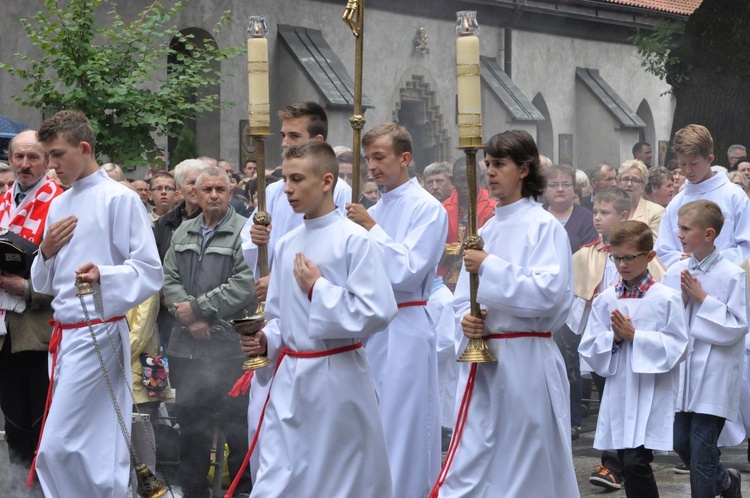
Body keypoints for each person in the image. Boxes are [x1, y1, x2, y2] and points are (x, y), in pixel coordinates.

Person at [233, 140, 396, 497]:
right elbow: (278, 316)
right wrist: (266, 340)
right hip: (290, 381)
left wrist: (318, 288)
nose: (287, 189)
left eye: (297, 179)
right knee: (277, 478)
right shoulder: (287, 241)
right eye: (286, 179)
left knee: (333, 482)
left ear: (326, 182)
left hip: (336, 381)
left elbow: (378, 310)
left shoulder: (355, 240)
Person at [430, 130, 578, 498]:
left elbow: (550, 294)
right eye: (488, 164)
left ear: (524, 169)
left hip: (526, 361)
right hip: (484, 363)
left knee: (523, 462)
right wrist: (467, 320)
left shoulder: (544, 227)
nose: (489, 171)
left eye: (499, 164)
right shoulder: (487, 228)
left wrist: (490, 266)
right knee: (476, 460)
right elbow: (463, 299)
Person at [29, 110, 163, 498]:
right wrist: (47, 250)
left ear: (84, 148)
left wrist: (104, 274)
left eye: (57, 155)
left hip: (98, 331)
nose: (51, 166)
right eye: (48, 156)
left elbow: (149, 270)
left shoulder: (119, 199)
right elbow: (44, 282)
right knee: (83, 443)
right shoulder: (60, 203)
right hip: (66, 335)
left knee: (59, 446)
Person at [347, 123, 447, 498]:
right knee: (374, 423)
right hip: (372, 328)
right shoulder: (374, 208)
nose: (371, 166)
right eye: (367, 158)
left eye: (379, 157)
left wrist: (370, 227)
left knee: (404, 424)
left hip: (406, 324)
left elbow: (406, 271)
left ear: (404, 158)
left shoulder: (428, 208)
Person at [162, 165, 256, 497]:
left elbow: (245, 285)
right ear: (195, 195)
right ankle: (193, 492)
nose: (214, 195)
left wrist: (200, 308)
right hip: (186, 348)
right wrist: (187, 314)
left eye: (220, 189)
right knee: (192, 430)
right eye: (207, 190)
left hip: (229, 348)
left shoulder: (246, 232)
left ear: (231, 193)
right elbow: (168, 279)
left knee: (238, 429)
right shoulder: (182, 231)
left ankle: (242, 492)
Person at [565, 187, 666, 490]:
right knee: (611, 405)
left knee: (635, 426)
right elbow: (579, 299)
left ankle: (622, 463)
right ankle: (613, 463)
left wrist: (634, 333)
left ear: (623, 216)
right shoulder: (586, 255)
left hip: (640, 356)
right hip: (607, 345)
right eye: (594, 212)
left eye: (604, 212)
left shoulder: (657, 280)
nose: (597, 218)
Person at [579, 220, 688, 498]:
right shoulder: (605, 300)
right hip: (620, 390)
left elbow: (678, 345)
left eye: (630, 257)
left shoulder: (665, 298)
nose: (622, 264)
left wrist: (635, 336)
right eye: (617, 258)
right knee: (627, 463)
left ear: (649, 256)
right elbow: (589, 345)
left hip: (652, 389)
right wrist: (613, 339)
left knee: (637, 462)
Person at [662, 200, 747, 498]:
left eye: (687, 228)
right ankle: (725, 481)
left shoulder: (731, 275)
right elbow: (665, 318)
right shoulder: (675, 271)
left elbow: (737, 325)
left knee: (702, 446)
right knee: (681, 442)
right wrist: (683, 302)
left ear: (708, 234)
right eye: (679, 227)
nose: (680, 233)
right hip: (684, 372)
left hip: (714, 373)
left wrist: (702, 298)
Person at [0, 130, 63, 493]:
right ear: (10, 159)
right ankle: (19, 491)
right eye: (18, 157)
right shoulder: (3, 201)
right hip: (5, 332)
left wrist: (24, 288)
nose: (25, 164)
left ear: (46, 160)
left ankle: (44, 490)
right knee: (14, 423)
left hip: (41, 332)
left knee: (43, 424)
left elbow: (70, 277)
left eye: (33, 157)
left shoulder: (59, 203)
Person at [656, 124, 750, 268]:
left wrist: (709, 259)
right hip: (684, 280)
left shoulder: (734, 196)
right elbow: (663, 251)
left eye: (694, 163)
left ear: (709, 159)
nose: (687, 170)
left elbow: (746, 247)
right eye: (682, 164)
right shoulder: (676, 202)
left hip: (725, 282)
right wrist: (684, 261)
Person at [440, 158, 496, 292]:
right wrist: (456, 248)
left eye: (471, 179)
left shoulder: (493, 210)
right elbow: (433, 248)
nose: (466, 185)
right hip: (447, 279)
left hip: (481, 277)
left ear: (481, 179)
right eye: (461, 180)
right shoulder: (442, 209)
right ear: (452, 181)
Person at [544, 163, 598, 252]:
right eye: (553, 185)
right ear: (545, 191)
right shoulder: (536, 216)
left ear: (574, 189)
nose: (560, 189)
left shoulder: (586, 218)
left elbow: (589, 256)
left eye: (566, 185)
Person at [619, 159, 663, 239]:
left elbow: (654, 245)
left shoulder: (656, 212)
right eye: (625, 179)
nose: (629, 184)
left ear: (643, 187)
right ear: (619, 183)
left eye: (635, 180)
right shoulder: (610, 209)